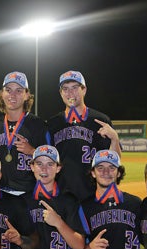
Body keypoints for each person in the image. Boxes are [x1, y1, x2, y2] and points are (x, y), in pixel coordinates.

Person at [46, 70, 121, 202]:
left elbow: (115, 160)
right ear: (61, 93)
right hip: (62, 195)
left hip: (92, 195)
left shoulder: (100, 120)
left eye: (75, 88)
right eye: (65, 89)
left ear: (84, 90)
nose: (70, 93)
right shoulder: (53, 123)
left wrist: (114, 138)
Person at [0, 71, 51, 194]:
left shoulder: (38, 125)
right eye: (8, 90)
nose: (12, 95)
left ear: (27, 95)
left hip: (30, 195)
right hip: (1, 194)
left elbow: (52, 161)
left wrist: (32, 151)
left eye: (19, 91)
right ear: (2, 94)